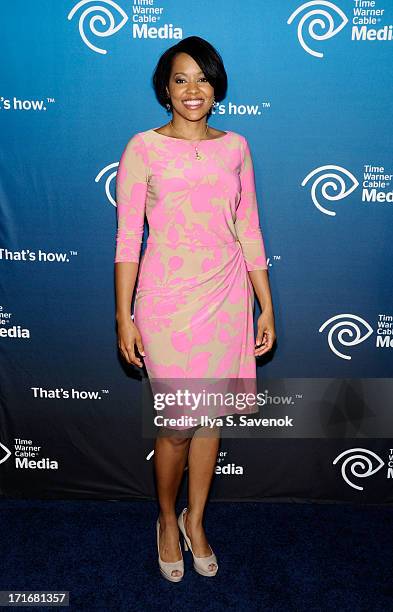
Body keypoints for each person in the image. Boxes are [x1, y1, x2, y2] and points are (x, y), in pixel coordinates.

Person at [114, 35, 276, 582]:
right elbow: (125, 239)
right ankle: (165, 519)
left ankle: (196, 520)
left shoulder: (237, 147)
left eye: (203, 79)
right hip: (164, 302)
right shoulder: (142, 147)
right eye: (181, 79)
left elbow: (249, 228)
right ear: (165, 88)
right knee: (179, 426)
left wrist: (266, 306)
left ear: (217, 87)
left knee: (210, 422)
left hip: (227, 294)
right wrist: (124, 316)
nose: (193, 90)